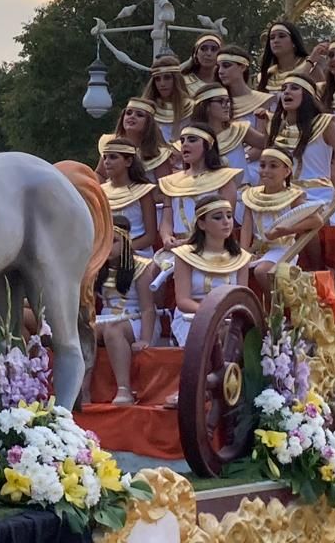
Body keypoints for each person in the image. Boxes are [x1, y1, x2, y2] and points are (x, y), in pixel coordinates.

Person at [165, 197, 251, 408]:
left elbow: (243, 298)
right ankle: (194, 388)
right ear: (202, 224)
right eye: (218, 217)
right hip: (192, 316)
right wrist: (212, 313)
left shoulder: (240, 258)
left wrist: (225, 314)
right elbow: (183, 300)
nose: (226, 222)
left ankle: (217, 386)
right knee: (207, 331)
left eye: (229, 216)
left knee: (226, 332)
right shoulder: (185, 255)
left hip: (230, 317)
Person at [268, 73, 335, 226]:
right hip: (283, 195)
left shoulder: (325, 125)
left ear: (308, 95)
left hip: (318, 196)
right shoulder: (275, 126)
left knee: (304, 217)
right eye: (283, 89)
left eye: (294, 88)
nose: (286, 92)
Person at [85, 217, 157, 406]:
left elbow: (148, 308)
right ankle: (83, 389)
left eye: (114, 241)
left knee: (113, 329)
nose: (108, 247)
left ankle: (124, 389)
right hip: (106, 316)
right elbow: (89, 303)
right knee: (86, 328)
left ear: (126, 240)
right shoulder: (97, 266)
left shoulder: (142, 265)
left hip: (136, 317)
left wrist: (146, 339)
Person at [240, 147, 322, 292]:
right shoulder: (251, 196)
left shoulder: (292, 196)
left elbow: (317, 220)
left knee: (261, 271)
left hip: (283, 249)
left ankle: (276, 311)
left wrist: (286, 231)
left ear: (287, 171)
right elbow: (246, 228)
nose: (265, 170)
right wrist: (243, 253)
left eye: (273, 166)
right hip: (257, 250)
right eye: (262, 165)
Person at [158, 124, 241, 247]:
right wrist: (167, 237)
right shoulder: (171, 182)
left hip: (213, 245)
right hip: (179, 246)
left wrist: (191, 242)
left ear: (208, 145)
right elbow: (166, 220)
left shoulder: (225, 178)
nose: (185, 144)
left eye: (192, 140)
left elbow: (226, 222)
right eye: (182, 140)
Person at [189, 83, 267, 191]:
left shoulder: (238, 129)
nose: (226, 105)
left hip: (241, 195)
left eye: (228, 101)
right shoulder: (193, 137)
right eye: (220, 101)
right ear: (205, 106)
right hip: (210, 197)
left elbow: (266, 144)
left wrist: (267, 122)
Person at [99, 138, 159, 257]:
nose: (106, 162)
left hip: (137, 254)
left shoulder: (143, 191)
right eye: (105, 157)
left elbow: (150, 237)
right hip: (105, 255)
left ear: (128, 161)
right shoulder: (100, 191)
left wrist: (122, 250)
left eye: (113, 157)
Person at [96, 98, 174, 182]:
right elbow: (100, 175)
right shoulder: (110, 143)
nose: (132, 116)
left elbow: (164, 189)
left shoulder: (160, 154)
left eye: (139, 115)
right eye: (128, 113)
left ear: (149, 123)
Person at [257, 21, 325, 95]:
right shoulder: (266, 75)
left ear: (294, 42)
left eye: (282, 36)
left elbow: (322, 99)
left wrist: (310, 63)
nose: (276, 41)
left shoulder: (312, 67)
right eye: (272, 38)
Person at [217, 46, 275, 131]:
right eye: (218, 67)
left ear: (242, 67)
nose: (220, 71)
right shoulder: (215, 102)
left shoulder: (264, 100)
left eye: (226, 66)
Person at [141, 55, 192, 142]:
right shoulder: (145, 110)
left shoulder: (192, 109)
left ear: (176, 79)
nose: (162, 83)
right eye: (157, 79)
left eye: (167, 77)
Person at [182, 33, 222, 97]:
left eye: (214, 49)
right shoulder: (183, 82)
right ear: (196, 53)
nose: (209, 53)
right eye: (203, 48)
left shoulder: (227, 81)